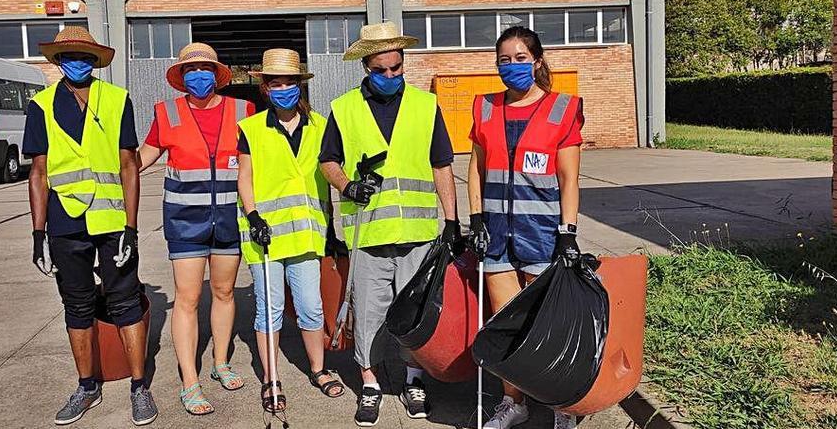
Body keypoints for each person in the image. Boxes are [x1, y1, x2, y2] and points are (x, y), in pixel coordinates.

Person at [319, 21, 459, 427]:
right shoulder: (343, 109)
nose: (390, 77)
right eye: (381, 70)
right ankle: (370, 382)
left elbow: (441, 165)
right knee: (369, 313)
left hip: (417, 235)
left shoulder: (425, 105)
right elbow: (328, 160)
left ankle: (415, 379)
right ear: (366, 67)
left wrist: (451, 222)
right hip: (369, 234)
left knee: (414, 314)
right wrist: (347, 186)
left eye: (396, 68)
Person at [23, 27, 157, 426]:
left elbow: (129, 165)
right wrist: (38, 232)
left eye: (85, 56)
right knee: (77, 304)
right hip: (65, 223)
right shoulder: (41, 105)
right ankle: (86, 386)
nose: (78, 62)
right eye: (69, 57)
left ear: (96, 60)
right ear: (58, 62)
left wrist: (132, 226)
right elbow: (38, 172)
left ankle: (139, 387)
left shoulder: (116, 100)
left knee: (125, 300)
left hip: (112, 221)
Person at [467, 26, 585, 429]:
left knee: (547, 322)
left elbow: (570, 178)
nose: (512, 66)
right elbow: (476, 167)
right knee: (505, 321)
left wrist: (568, 231)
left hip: (543, 234)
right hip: (496, 234)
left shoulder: (562, 108)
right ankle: (512, 403)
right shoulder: (483, 107)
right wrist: (476, 218)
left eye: (520, 58)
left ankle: (559, 404)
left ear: (537, 60)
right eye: (504, 60)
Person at [137, 43, 251, 415]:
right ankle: (190, 381)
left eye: (205, 69)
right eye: (191, 70)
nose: (198, 76)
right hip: (185, 220)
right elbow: (140, 158)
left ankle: (220, 363)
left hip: (230, 219)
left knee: (223, 291)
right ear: (182, 77)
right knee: (187, 299)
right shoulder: (165, 112)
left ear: (217, 74)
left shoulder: (242, 110)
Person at [237, 48, 347, 414]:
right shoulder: (250, 128)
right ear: (265, 88)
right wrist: (253, 216)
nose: (283, 88)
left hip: (308, 235)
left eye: (290, 82)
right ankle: (271, 379)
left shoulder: (320, 125)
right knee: (269, 310)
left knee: (311, 308)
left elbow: (330, 174)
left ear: (300, 85)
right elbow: (245, 176)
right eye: (275, 83)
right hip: (264, 234)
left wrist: (331, 229)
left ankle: (319, 370)